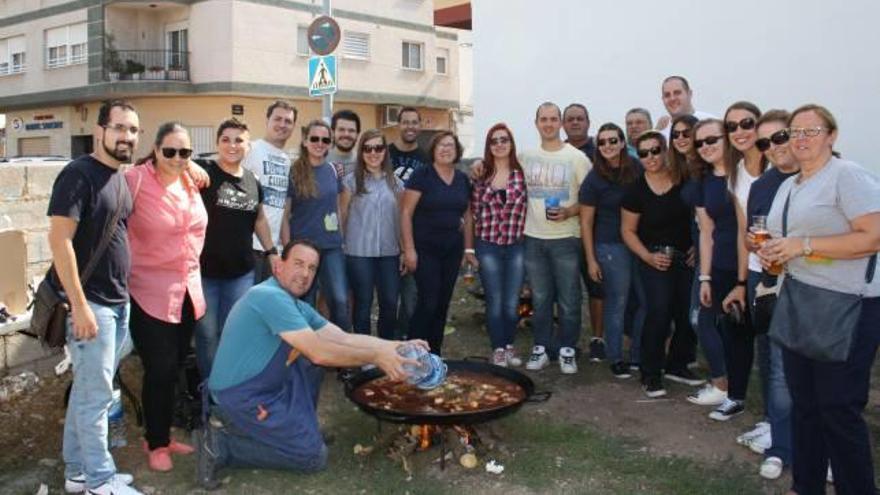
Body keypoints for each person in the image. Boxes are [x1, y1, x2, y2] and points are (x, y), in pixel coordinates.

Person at [197, 240, 426, 488]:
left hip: (265, 387)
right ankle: (221, 445)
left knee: (308, 364)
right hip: (239, 398)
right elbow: (320, 353)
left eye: (312, 267)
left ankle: (299, 429)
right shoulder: (269, 298)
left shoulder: (294, 304)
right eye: (298, 264)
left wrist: (392, 347)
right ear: (278, 266)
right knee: (312, 457)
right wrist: (376, 357)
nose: (305, 273)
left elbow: (341, 337)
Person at [759, 104, 880, 495]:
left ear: (831, 135)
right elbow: (787, 243)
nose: (801, 139)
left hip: (848, 306)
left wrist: (804, 245)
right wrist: (773, 252)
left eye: (811, 131)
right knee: (805, 406)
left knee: (839, 411)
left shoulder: (847, 176)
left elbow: (873, 237)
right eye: (795, 132)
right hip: (801, 302)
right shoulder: (789, 185)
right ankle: (806, 486)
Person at [48, 100, 141, 494]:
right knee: (98, 396)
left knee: (88, 391)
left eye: (133, 130)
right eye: (119, 128)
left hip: (117, 303)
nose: (126, 136)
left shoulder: (118, 177)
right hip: (91, 305)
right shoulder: (78, 174)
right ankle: (101, 481)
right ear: (100, 130)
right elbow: (59, 241)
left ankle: (77, 473)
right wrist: (81, 305)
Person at [126, 123, 207, 471]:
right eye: (170, 151)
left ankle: (164, 434)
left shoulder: (191, 179)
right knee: (158, 368)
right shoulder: (136, 180)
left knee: (174, 366)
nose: (177, 158)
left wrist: (192, 166)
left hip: (188, 290)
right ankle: (155, 441)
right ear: (155, 149)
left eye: (185, 152)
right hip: (148, 291)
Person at [195, 118, 278, 379]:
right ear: (217, 144)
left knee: (233, 332)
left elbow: (260, 219)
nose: (232, 145)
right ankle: (210, 388)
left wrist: (272, 251)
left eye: (239, 140)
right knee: (207, 336)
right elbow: (172, 163)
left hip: (241, 274)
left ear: (248, 146)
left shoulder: (253, 181)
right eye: (226, 139)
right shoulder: (203, 171)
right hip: (204, 274)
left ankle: (229, 384)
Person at [740, 110, 797, 480]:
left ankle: (811, 443)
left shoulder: (829, 175)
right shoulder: (762, 185)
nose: (772, 148)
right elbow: (751, 233)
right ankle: (781, 445)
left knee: (814, 372)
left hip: (819, 290)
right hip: (770, 285)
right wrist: (751, 243)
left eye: (780, 138)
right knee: (775, 367)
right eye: (765, 143)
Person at [621, 131, 694, 398]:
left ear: (665, 150)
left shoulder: (683, 180)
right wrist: (647, 257)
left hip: (686, 257)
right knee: (659, 312)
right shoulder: (636, 190)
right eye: (643, 153)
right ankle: (650, 373)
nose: (650, 157)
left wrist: (698, 246)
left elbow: (698, 219)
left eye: (655, 150)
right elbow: (628, 231)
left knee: (687, 313)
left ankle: (678, 364)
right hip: (653, 258)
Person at [520, 102, 591, 374]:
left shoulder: (576, 158)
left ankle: (567, 349)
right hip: (533, 237)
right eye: (543, 119)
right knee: (539, 298)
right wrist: (479, 164)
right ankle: (541, 347)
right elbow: (501, 170)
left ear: (560, 123)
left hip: (565, 238)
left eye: (553, 119)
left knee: (569, 298)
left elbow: (590, 200)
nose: (548, 124)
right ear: (536, 123)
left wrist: (569, 211)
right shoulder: (525, 156)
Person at [688, 118, 750, 421]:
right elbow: (706, 231)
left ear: (727, 139)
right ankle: (724, 385)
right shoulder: (704, 181)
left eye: (712, 140)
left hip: (750, 265)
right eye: (700, 143)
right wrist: (705, 276)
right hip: (719, 264)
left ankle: (736, 394)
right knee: (705, 320)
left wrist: (744, 277)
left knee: (741, 333)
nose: (706, 147)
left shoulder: (745, 174)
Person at [579, 123, 643, 378]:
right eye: (602, 142)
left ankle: (638, 355)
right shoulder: (594, 178)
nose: (607, 146)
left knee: (641, 302)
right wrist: (591, 259)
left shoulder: (637, 169)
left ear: (622, 142)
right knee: (617, 302)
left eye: (612, 141)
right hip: (610, 246)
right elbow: (585, 222)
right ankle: (617, 357)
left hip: (640, 243)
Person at [400, 131, 472, 354]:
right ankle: (413, 352)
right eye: (441, 145)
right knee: (428, 302)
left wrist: (468, 249)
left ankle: (435, 355)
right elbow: (405, 213)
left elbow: (469, 216)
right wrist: (409, 250)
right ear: (433, 149)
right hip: (424, 249)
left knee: (442, 304)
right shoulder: (422, 175)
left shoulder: (462, 179)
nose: (445, 149)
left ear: (457, 150)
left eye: (450, 145)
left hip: (452, 250)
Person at [464, 123, 528, 366]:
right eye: (494, 140)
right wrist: (469, 248)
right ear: (488, 146)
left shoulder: (522, 174)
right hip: (488, 245)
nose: (499, 144)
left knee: (512, 303)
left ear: (511, 143)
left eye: (504, 140)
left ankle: (509, 345)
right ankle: (498, 349)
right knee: (495, 300)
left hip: (515, 245)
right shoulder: (480, 175)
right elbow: (471, 214)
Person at [281, 120, 351, 331]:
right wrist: (288, 250)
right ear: (304, 141)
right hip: (303, 250)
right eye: (314, 138)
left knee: (339, 299)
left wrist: (342, 237)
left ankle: (343, 350)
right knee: (305, 303)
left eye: (325, 140)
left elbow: (336, 207)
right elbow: (285, 215)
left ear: (330, 144)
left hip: (331, 247)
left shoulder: (332, 170)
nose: (319, 143)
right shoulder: (294, 172)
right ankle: (307, 357)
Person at [339, 129, 404, 340]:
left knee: (390, 302)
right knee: (363, 303)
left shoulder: (396, 183)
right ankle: (365, 356)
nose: (373, 152)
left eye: (378, 147)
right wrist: (341, 245)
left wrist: (403, 249)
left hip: (389, 253)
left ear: (385, 151)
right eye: (368, 148)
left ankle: (385, 350)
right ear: (361, 151)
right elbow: (343, 214)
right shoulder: (350, 181)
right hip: (358, 253)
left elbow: (401, 219)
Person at [562, 103, 605, 361]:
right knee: (567, 290)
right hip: (562, 233)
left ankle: (597, 338)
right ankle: (568, 340)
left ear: (588, 122)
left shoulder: (599, 151)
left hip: (594, 231)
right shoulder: (557, 150)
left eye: (580, 118)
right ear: (564, 124)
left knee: (596, 287)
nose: (575, 122)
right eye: (570, 119)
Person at [243, 100, 297, 283]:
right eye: (278, 119)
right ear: (267, 120)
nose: (282, 124)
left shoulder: (286, 159)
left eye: (288, 121)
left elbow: (281, 208)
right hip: (249, 245)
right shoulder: (251, 148)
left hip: (272, 249)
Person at [389, 107, 429, 339]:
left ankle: (405, 338)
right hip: (385, 233)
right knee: (387, 296)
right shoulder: (384, 154)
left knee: (411, 296)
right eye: (406, 122)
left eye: (415, 122)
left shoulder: (426, 159)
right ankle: (387, 343)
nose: (410, 127)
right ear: (399, 125)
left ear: (420, 126)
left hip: (414, 235)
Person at [327, 109, 361, 176]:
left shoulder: (363, 164)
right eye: (341, 129)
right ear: (332, 132)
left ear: (357, 134)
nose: (346, 134)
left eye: (351, 130)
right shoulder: (321, 161)